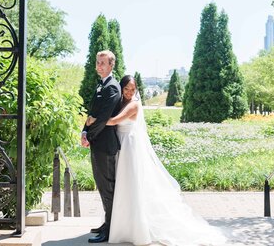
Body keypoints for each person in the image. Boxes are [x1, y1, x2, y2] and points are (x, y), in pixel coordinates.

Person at [104, 75, 228, 246]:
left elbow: (114, 121)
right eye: (126, 89)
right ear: (121, 88)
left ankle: (137, 229)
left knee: (131, 184)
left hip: (130, 146)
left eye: (133, 89)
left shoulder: (133, 104)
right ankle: (124, 227)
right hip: (121, 145)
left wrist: (93, 122)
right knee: (123, 186)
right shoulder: (120, 102)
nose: (130, 92)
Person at [81, 50, 121, 244]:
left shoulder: (112, 87)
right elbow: (91, 114)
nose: (99, 66)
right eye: (97, 62)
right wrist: (84, 131)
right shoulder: (101, 85)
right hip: (97, 142)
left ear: (111, 65)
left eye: (103, 63)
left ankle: (110, 229)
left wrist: (90, 134)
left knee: (108, 189)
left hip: (105, 145)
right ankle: (107, 223)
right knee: (102, 186)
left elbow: (103, 118)